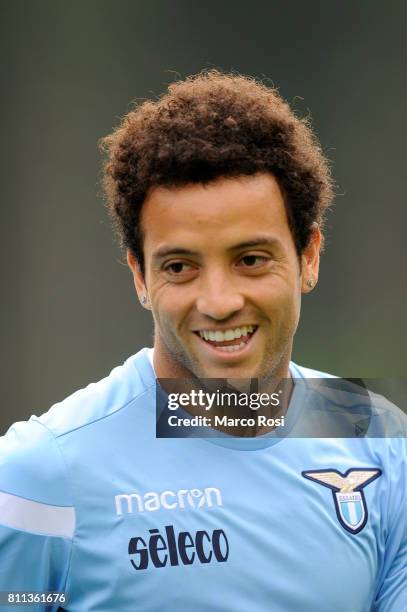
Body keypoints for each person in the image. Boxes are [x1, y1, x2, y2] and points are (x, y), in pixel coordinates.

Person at [0, 71, 405, 611]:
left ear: (308, 256)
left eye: (251, 259)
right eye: (180, 266)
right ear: (140, 276)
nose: (218, 301)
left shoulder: (380, 438)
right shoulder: (40, 474)